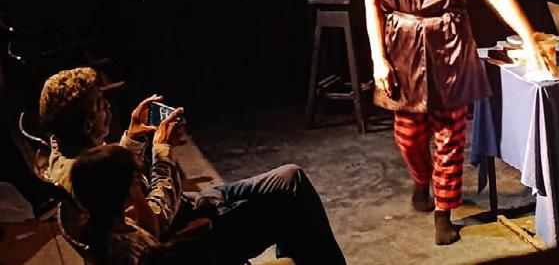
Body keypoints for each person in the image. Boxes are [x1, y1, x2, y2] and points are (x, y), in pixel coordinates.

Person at [353, 0, 551, 245]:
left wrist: (527, 36)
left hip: (450, 48)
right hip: (403, 49)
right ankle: (421, 179)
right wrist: (378, 59)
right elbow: (371, 2)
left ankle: (443, 212)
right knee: (409, 137)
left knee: (450, 137)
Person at [40, 67, 346, 264]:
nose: (108, 107)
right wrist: (162, 151)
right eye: (99, 105)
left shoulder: (66, 154)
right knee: (290, 201)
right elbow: (156, 221)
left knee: (291, 178)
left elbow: (113, 176)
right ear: (85, 124)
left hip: (188, 206)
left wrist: (131, 138)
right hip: (187, 234)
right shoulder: (80, 176)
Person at [71, 110, 183, 265]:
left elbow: (151, 230)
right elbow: (159, 218)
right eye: (135, 178)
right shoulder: (131, 250)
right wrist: (162, 151)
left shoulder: (103, 223)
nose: (138, 180)